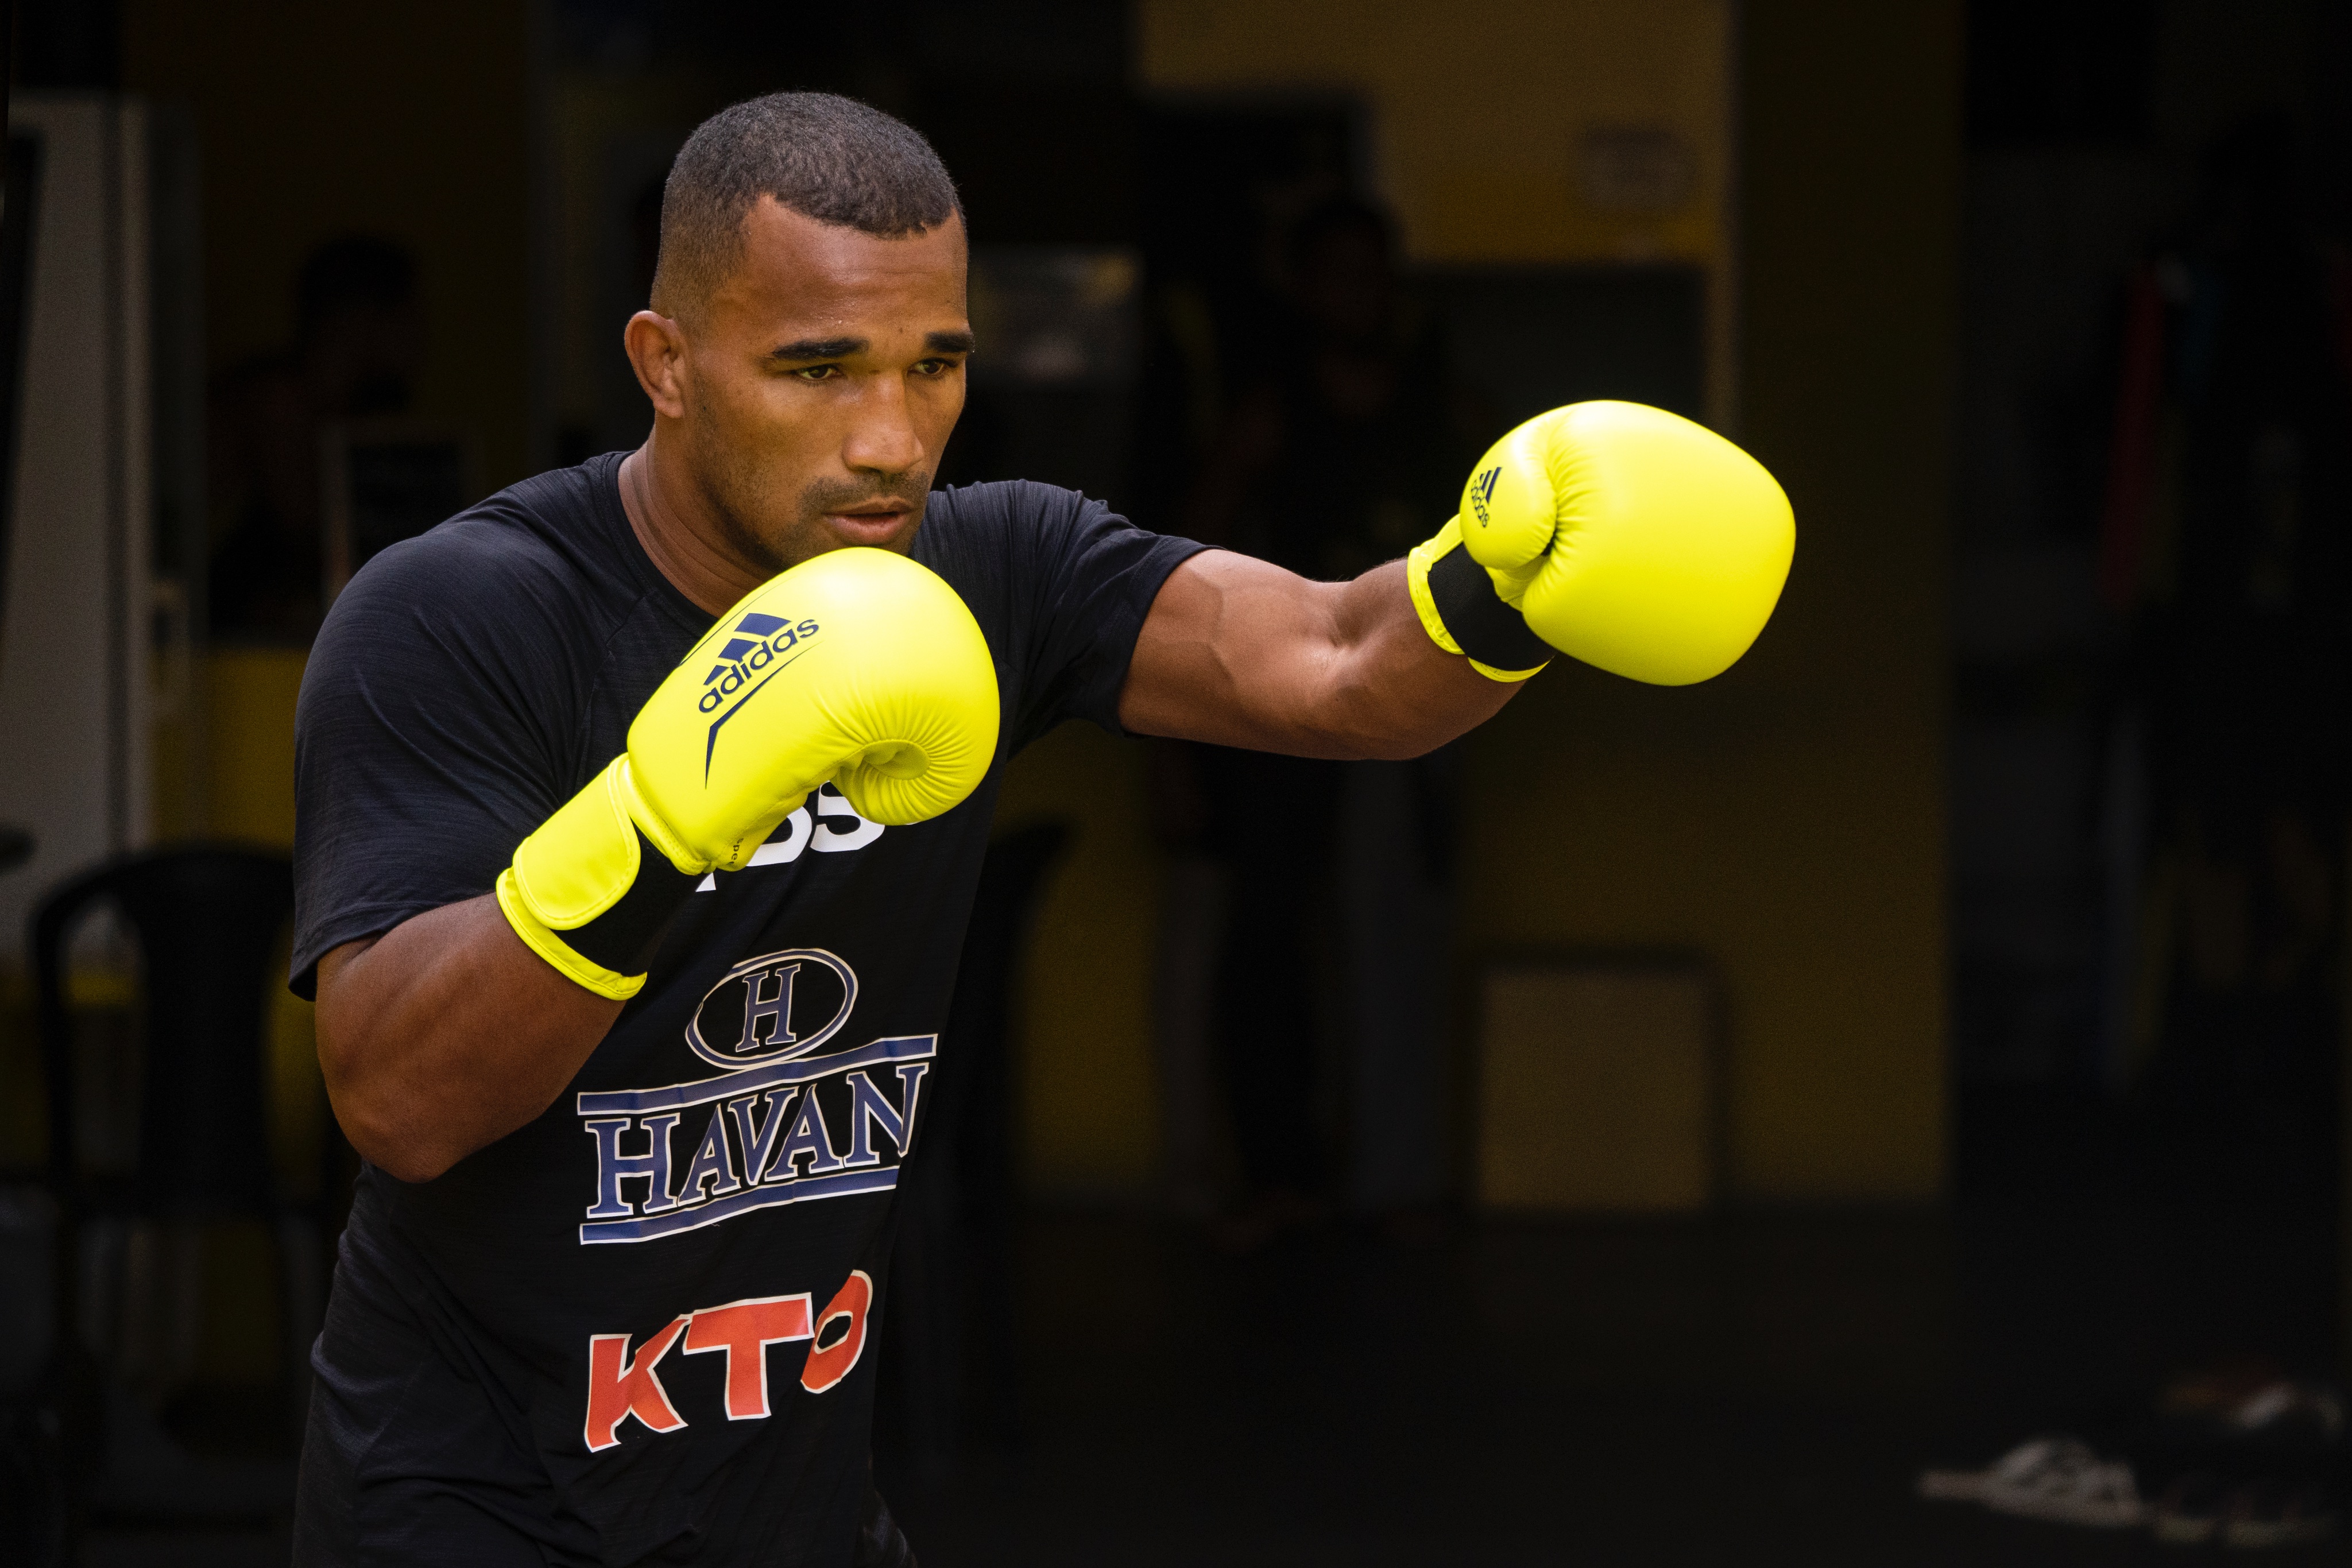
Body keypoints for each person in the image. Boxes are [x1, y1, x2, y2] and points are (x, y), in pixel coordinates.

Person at [291, 92, 1792, 1566]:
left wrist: (1495, 585)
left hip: (791, 1503)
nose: (890, 439)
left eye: (931, 364)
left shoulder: (995, 568)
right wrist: (662, 808)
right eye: (816, 368)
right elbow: (398, 1100)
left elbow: (1337, 664)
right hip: (471, 1503)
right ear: (665, 363)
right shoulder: (460, 615)